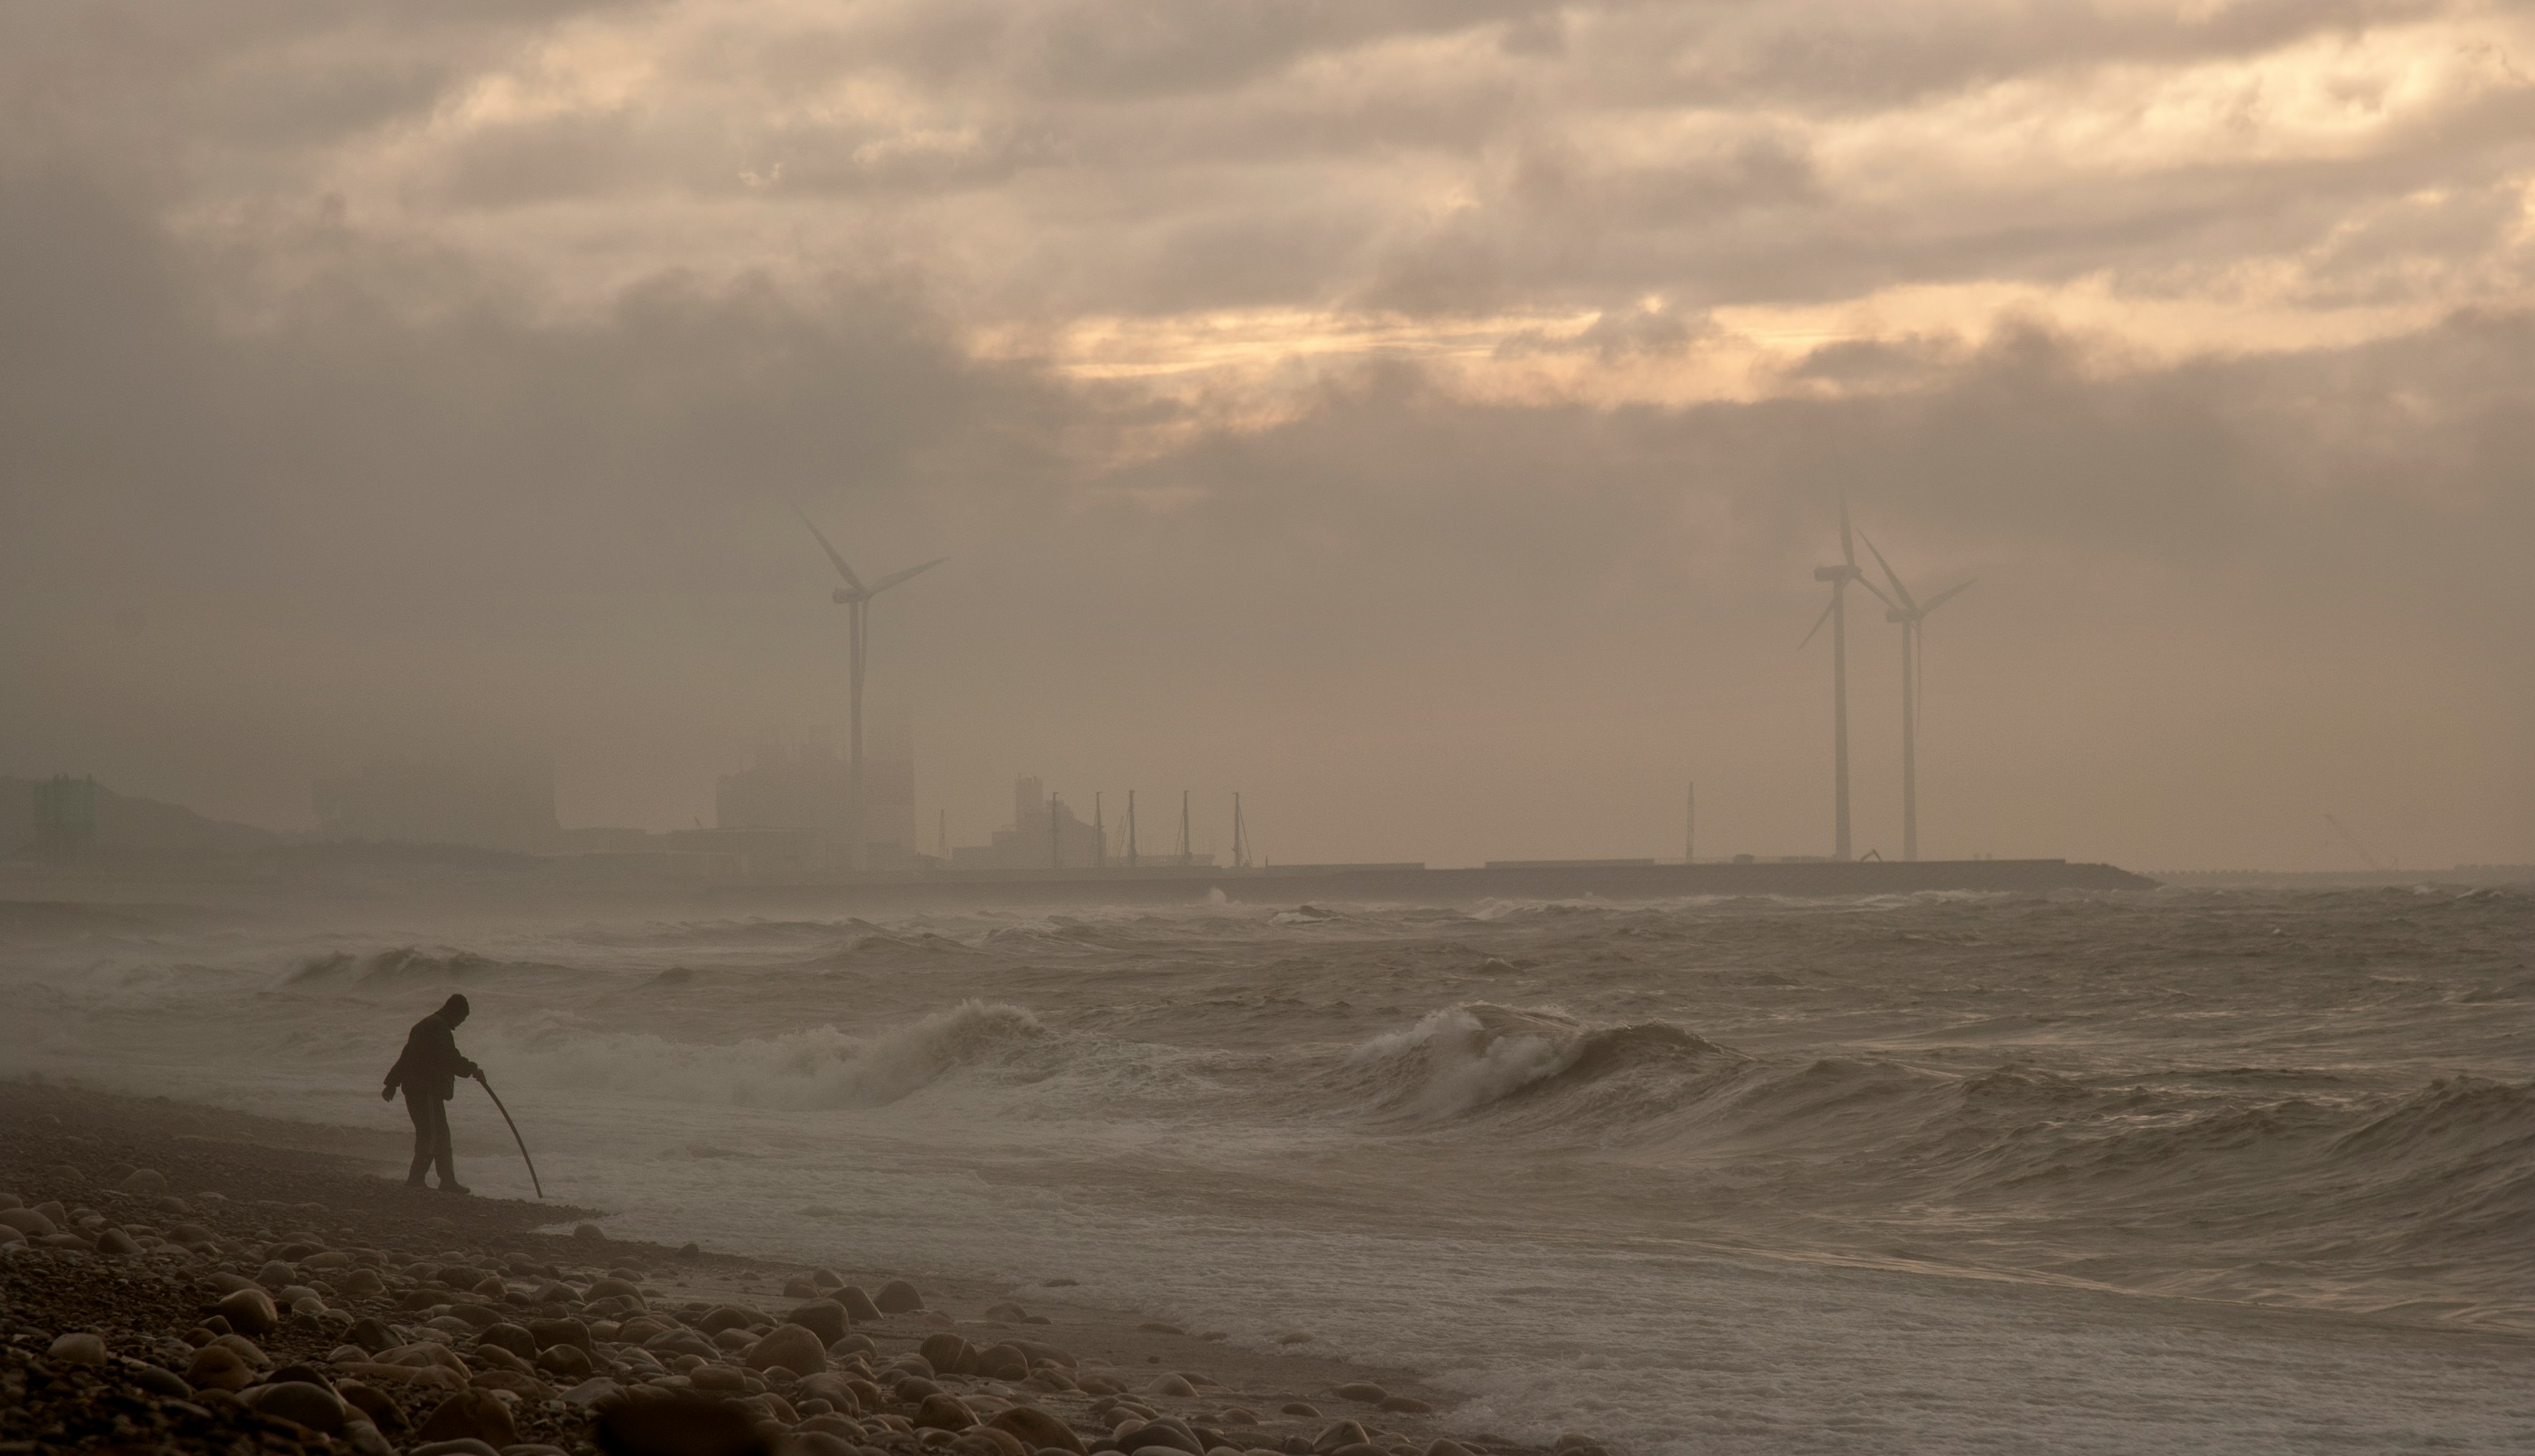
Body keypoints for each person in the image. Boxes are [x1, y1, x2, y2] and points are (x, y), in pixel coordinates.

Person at [382, 992, 482, 1193]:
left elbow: (406, 1055)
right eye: (463, 1018)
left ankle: (447, 1181)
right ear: (456, 1013)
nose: (461, 1023)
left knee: (441, 1134)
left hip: (421, 1089)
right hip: (424, 1089)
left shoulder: (426, 1025)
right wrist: (472, 1069)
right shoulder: (439, 1027)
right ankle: (416, 1179)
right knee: (432, 1135)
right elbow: (449, 1058)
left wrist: (392, 1083)